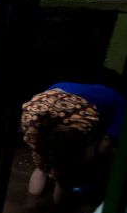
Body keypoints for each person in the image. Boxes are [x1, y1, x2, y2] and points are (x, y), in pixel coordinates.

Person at [21, 73, 125, 204]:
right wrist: (103, 174)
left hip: (36, 106)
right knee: (64, 174)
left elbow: (52, 108)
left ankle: (31, 208)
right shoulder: (120, 100)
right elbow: (105, 145)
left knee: (42, 165)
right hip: (75, 110)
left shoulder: (74, 86)